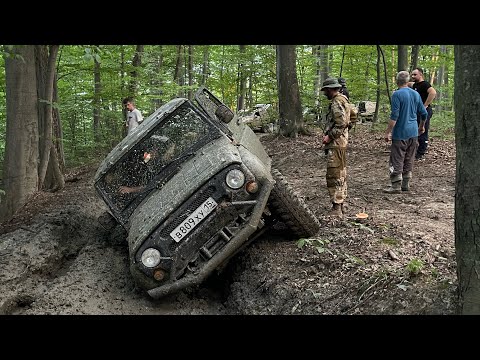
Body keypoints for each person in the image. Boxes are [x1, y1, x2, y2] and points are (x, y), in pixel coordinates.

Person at [384, 71, 428, 194]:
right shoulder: (415, 94)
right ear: (408, 81)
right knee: (409, 156)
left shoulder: (397, 94)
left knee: (397, 157)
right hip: (413, 131)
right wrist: (421, 127)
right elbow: (424, 113)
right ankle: (406, 183)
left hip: (400, 132)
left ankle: (396, 185)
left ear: (397, 81)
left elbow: (395, 116)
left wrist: (388, 132)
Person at [321, 77, 350, 218]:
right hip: (341, 143)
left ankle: (337, 207)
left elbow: (341, 122)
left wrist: (330, 136)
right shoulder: (344, 99)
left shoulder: (337, 102)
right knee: (341, 173)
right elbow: (353, 116)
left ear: (330, 89)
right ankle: (341, 204)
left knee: (334, 175)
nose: (324, 93)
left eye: (325, 90)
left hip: (336, 144)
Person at [408, 67, 436, 160]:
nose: (413, 76)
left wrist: (425, 105)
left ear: (421, 74)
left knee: (423, 131)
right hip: (416, 112)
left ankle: (420, 153)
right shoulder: (415, 85)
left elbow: (433, 92)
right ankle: (414, 150)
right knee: (415, 130)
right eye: (412, 74)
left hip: (425, 112)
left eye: (415, 74)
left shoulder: (425, 84)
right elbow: (408, 84)